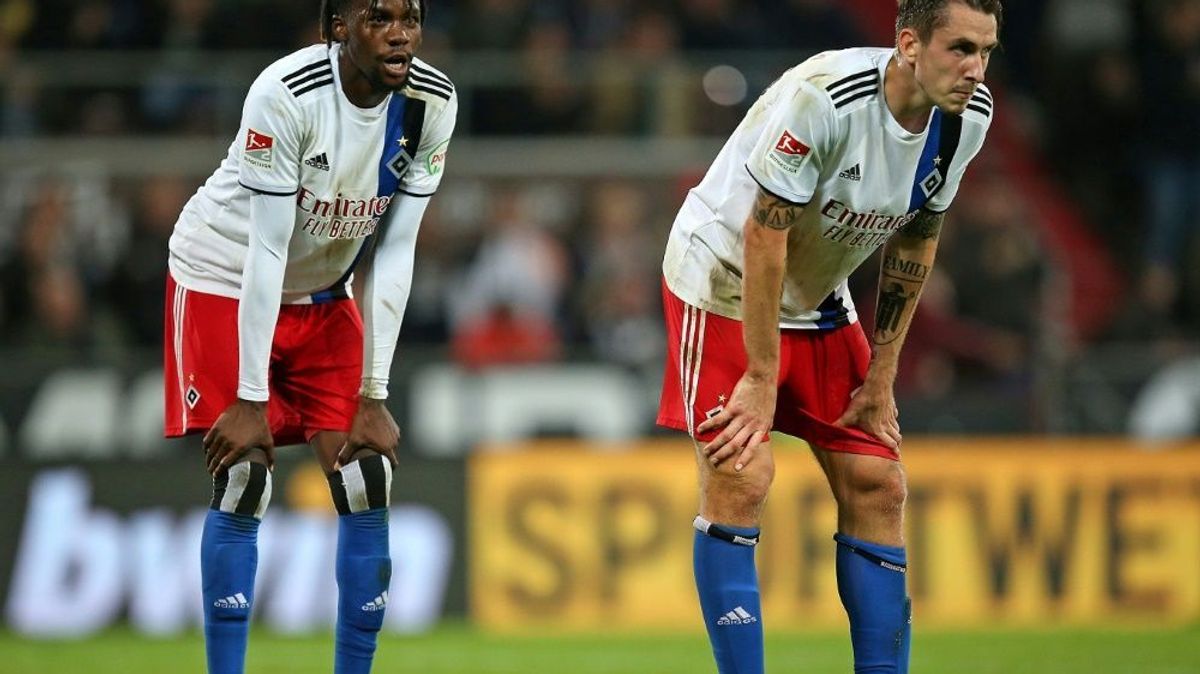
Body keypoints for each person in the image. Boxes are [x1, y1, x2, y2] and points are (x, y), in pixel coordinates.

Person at [656, 1, 1000, 672]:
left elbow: (917, 240)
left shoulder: (967, 123)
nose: (975, 69)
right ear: (909, 44)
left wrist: (882, 377)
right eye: (960, 48)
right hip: (724, 279)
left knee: (879, 481)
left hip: (816, 293)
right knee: (741, 470)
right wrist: (760, 377)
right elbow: (764, 234)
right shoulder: (826, 100)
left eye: (987, 51)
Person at [162, 1, 456, 672]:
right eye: (379, 16)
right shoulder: (284, 95)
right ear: (336, 28)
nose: (401, 32)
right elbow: (265, 251)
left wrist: (374, 392)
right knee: (243, 475)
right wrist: (248, 393)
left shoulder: (432, 101)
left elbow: (399, 248)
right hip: (223, 277)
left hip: (326, 291)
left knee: (366, 475)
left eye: (411, 16)